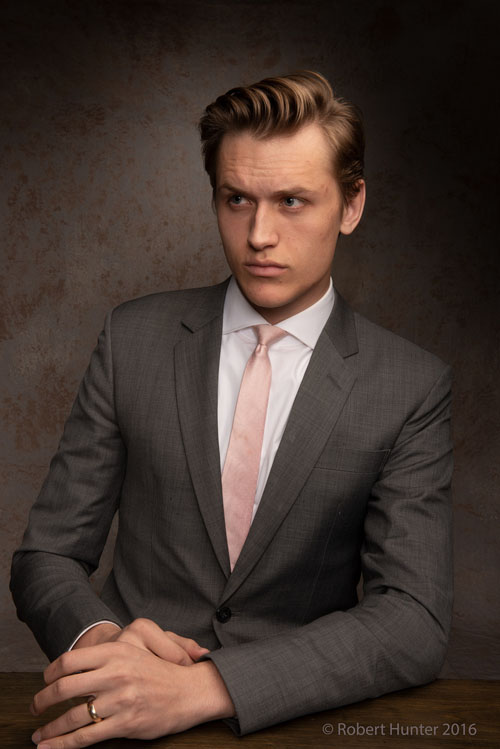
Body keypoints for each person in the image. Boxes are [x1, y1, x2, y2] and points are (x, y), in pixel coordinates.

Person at [10, 71, 453, 748]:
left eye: (293, 201)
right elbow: (46, 554)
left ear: (352, 204)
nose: (259, 235)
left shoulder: (410, 385)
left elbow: (414, 618)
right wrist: (105, 644)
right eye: (237, 199)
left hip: (295, 723)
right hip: (118, 718)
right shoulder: (132, 339)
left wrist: (204, 687)